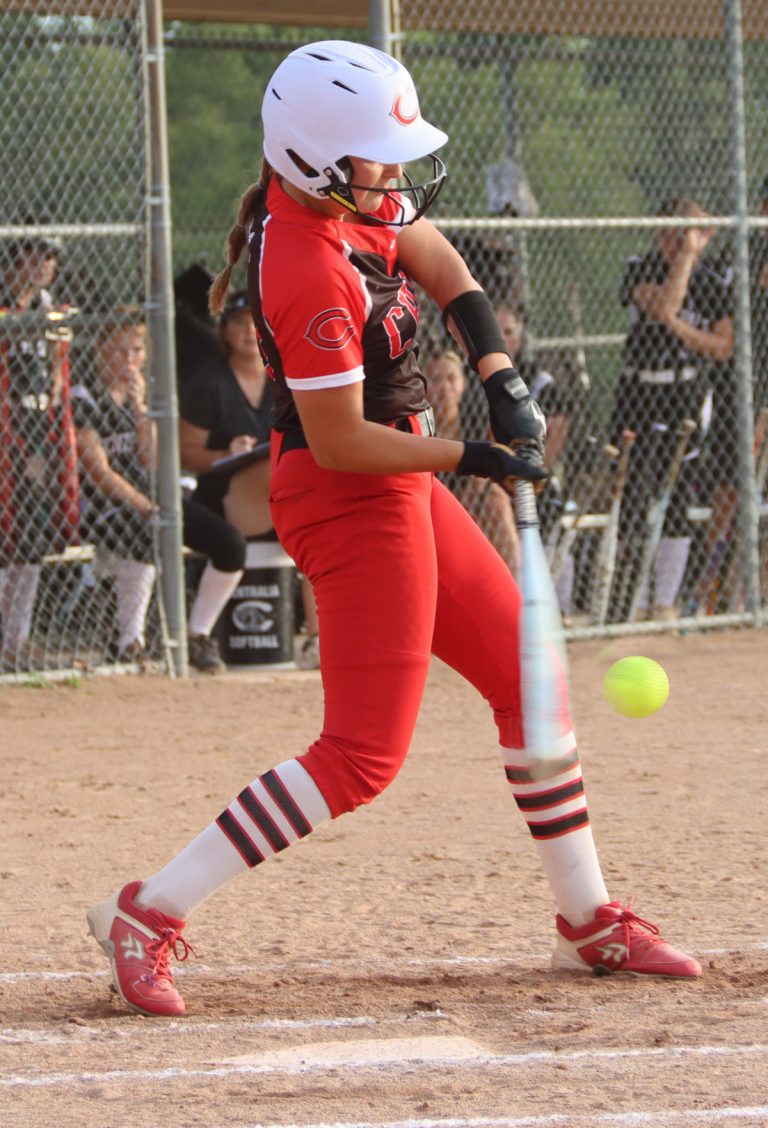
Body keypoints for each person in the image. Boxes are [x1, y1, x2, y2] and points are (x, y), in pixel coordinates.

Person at [86, 40, 701, 1019]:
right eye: (377, 153)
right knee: (362, 756)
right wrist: (473, 456)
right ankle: (147, 912)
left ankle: (589, 920)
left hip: (399, 477)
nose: (396, 172)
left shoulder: (354, 201)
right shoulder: (304, 263)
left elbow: (441, 262)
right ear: (315, 159)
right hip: (348, 495)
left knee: (527, 681)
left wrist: (497, 373)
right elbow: (339, 441)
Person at [72, 313, 247, 672]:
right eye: (119, 350)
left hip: (148, 498)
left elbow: (150, 462)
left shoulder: (142, 392)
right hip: (97, 504)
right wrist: (147, 506)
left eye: (136, 350)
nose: (129, 359)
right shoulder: (82, 394)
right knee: (146, 533)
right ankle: (130, 643)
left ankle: (196, 636)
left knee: (229, 544)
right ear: (100, 350)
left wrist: (140, 412)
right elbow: (98, 472)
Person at [179, 289, 320, 669]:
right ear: (224, 331)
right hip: (224, 495)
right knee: (289, 485)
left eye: (256, 324)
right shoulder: (211, 380)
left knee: (315, 527)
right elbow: (184, 453)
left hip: (280, 497)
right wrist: (224, 454)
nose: (248, 332)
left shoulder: (283, 378)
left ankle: (318, 639)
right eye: (239, 323)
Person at [609, 197, 733, 620]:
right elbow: (662, 305)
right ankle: (632, 602)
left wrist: (678, 326)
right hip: (638, 391)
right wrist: (686, 259)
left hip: (684, 392)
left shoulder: (712, 280)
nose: (676, 241)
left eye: (686, 233)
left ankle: (663, 602)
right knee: (635, 492)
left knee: (677, 494)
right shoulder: (639, 266)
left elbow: (723, 346)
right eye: (671, 232)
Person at [0, 236, 79, 671]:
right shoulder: (5, 302)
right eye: (35, 257)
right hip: (6, 419)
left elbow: (56, 367)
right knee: (7, 532)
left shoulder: (49, 304)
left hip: (36, 423)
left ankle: (17, 638)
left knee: (31, 532)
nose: (45, 265)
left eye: (50, 258)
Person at [426, 348, 520, 573]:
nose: (445, 387)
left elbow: (494, 462)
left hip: (473, 495)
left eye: (451, 379)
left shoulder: (475, 421)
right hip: (435, 499)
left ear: (463, 384)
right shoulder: (421, 424)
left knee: (496, 498)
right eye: (436, 379)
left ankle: (513, 578)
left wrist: (473, 491)